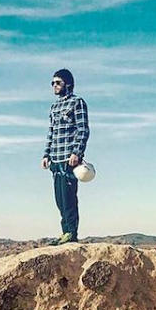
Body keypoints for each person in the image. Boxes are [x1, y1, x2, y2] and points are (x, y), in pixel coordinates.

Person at [41, 68, 89, 244]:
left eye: (58, 82)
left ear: (68, 84)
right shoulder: (54, 107)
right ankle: (65, 232)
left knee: (69, 197)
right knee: (59, 198)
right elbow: (51, 131)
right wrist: (46, 154)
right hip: (55, 158)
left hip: (69, 158)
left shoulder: (77, 103)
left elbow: (83, 129)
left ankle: (71, 233)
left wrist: (77, 152)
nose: (54, 86)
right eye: (52, 83)